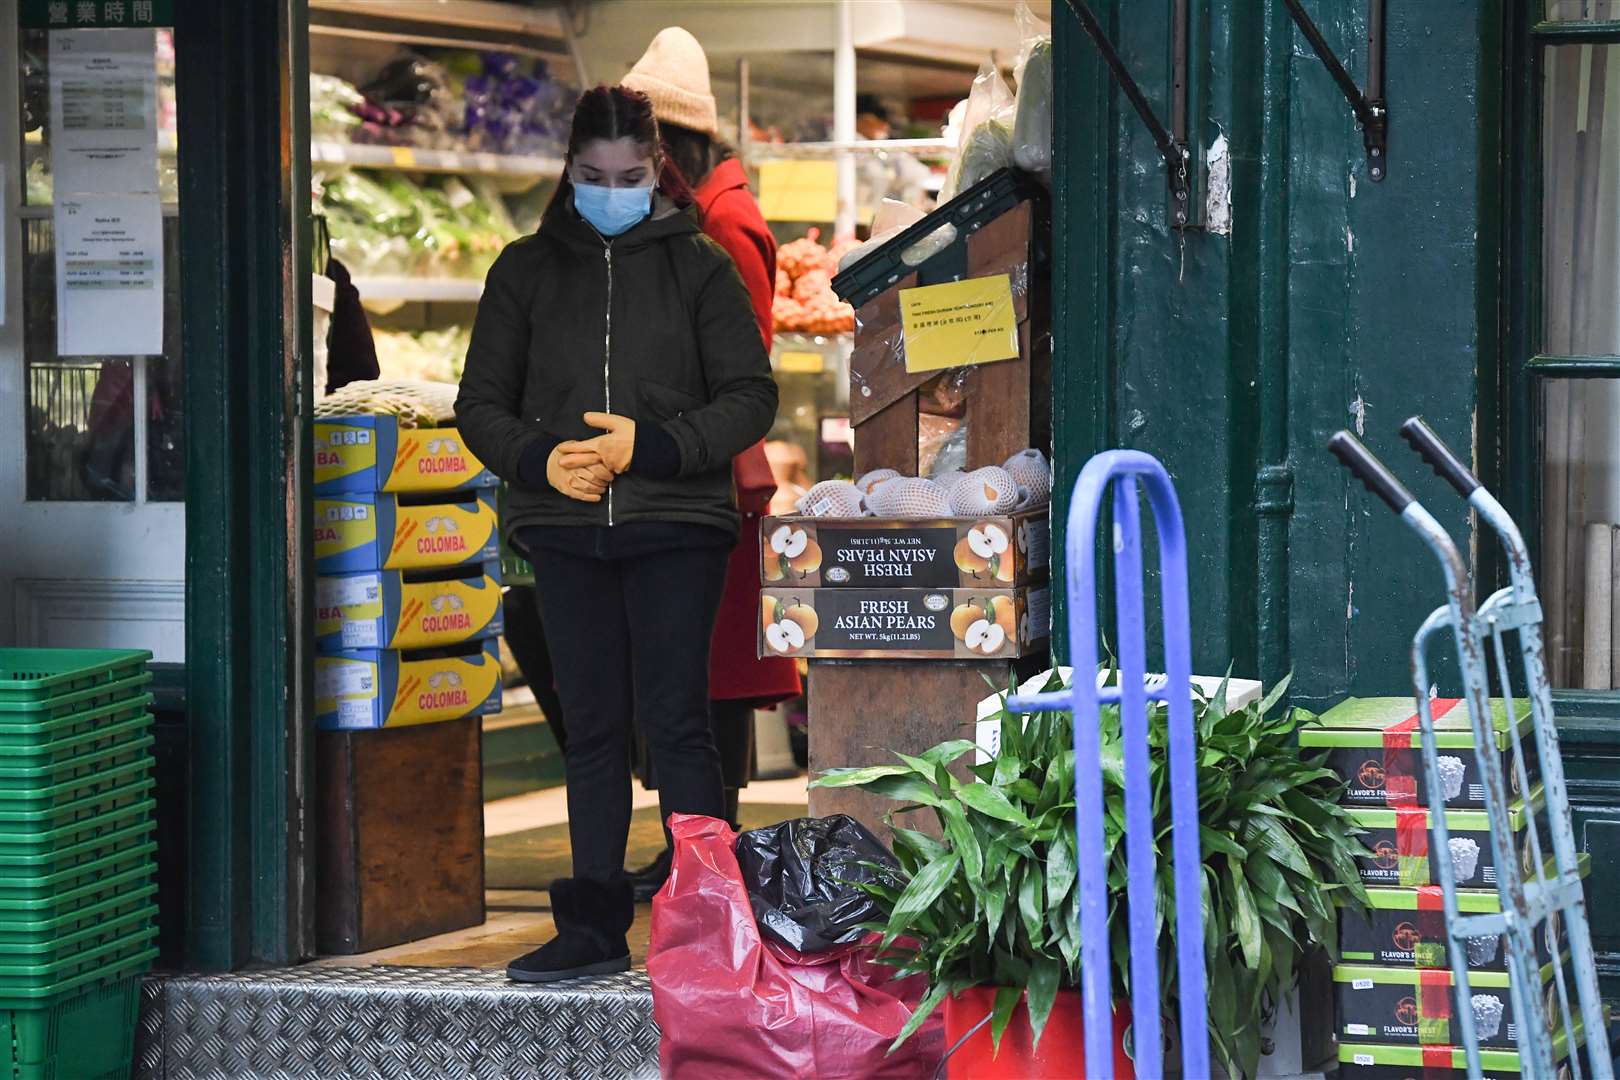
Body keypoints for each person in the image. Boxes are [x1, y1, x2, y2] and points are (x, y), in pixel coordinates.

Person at [455, 84, 779, 983]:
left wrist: (661, 444)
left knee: (678, 725)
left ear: (657, 171)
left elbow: (753, 396)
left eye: (628, 175)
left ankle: (709, 928)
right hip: (563, 529)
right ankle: (592, 927)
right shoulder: (523, 269)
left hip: (678, 523)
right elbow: (478, 404)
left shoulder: (702, 266)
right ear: (568, 170)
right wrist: (536, 460)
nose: (611, 189)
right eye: (593, 175)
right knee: (592, 729)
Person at [620, 26, 803, 902]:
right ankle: (693, 842)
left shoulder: (725, 220)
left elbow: (744, 357)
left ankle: (709, 848)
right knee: (684, 668)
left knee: (709, 675)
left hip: (712, 477)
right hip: (695, 469)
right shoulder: (696, 210)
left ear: (675, 141)